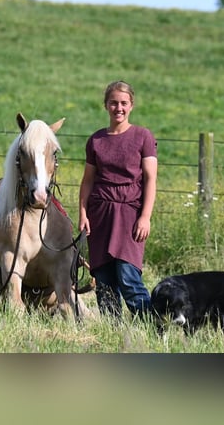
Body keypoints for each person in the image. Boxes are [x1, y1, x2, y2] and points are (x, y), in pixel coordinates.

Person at [78, 80, 158, 319]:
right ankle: (113, 331)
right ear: (106, 105)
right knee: (103, 277)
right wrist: (82, 213)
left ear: (131, 105)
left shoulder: (143, 136)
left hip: (130, 214)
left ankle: (150, 325)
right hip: (100, 214)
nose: (118, 108)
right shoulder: (96, 140)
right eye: (113, 103)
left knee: (128, 275)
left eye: (124, 103)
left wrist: (145, 217)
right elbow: (88, 180)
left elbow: (151, 180)